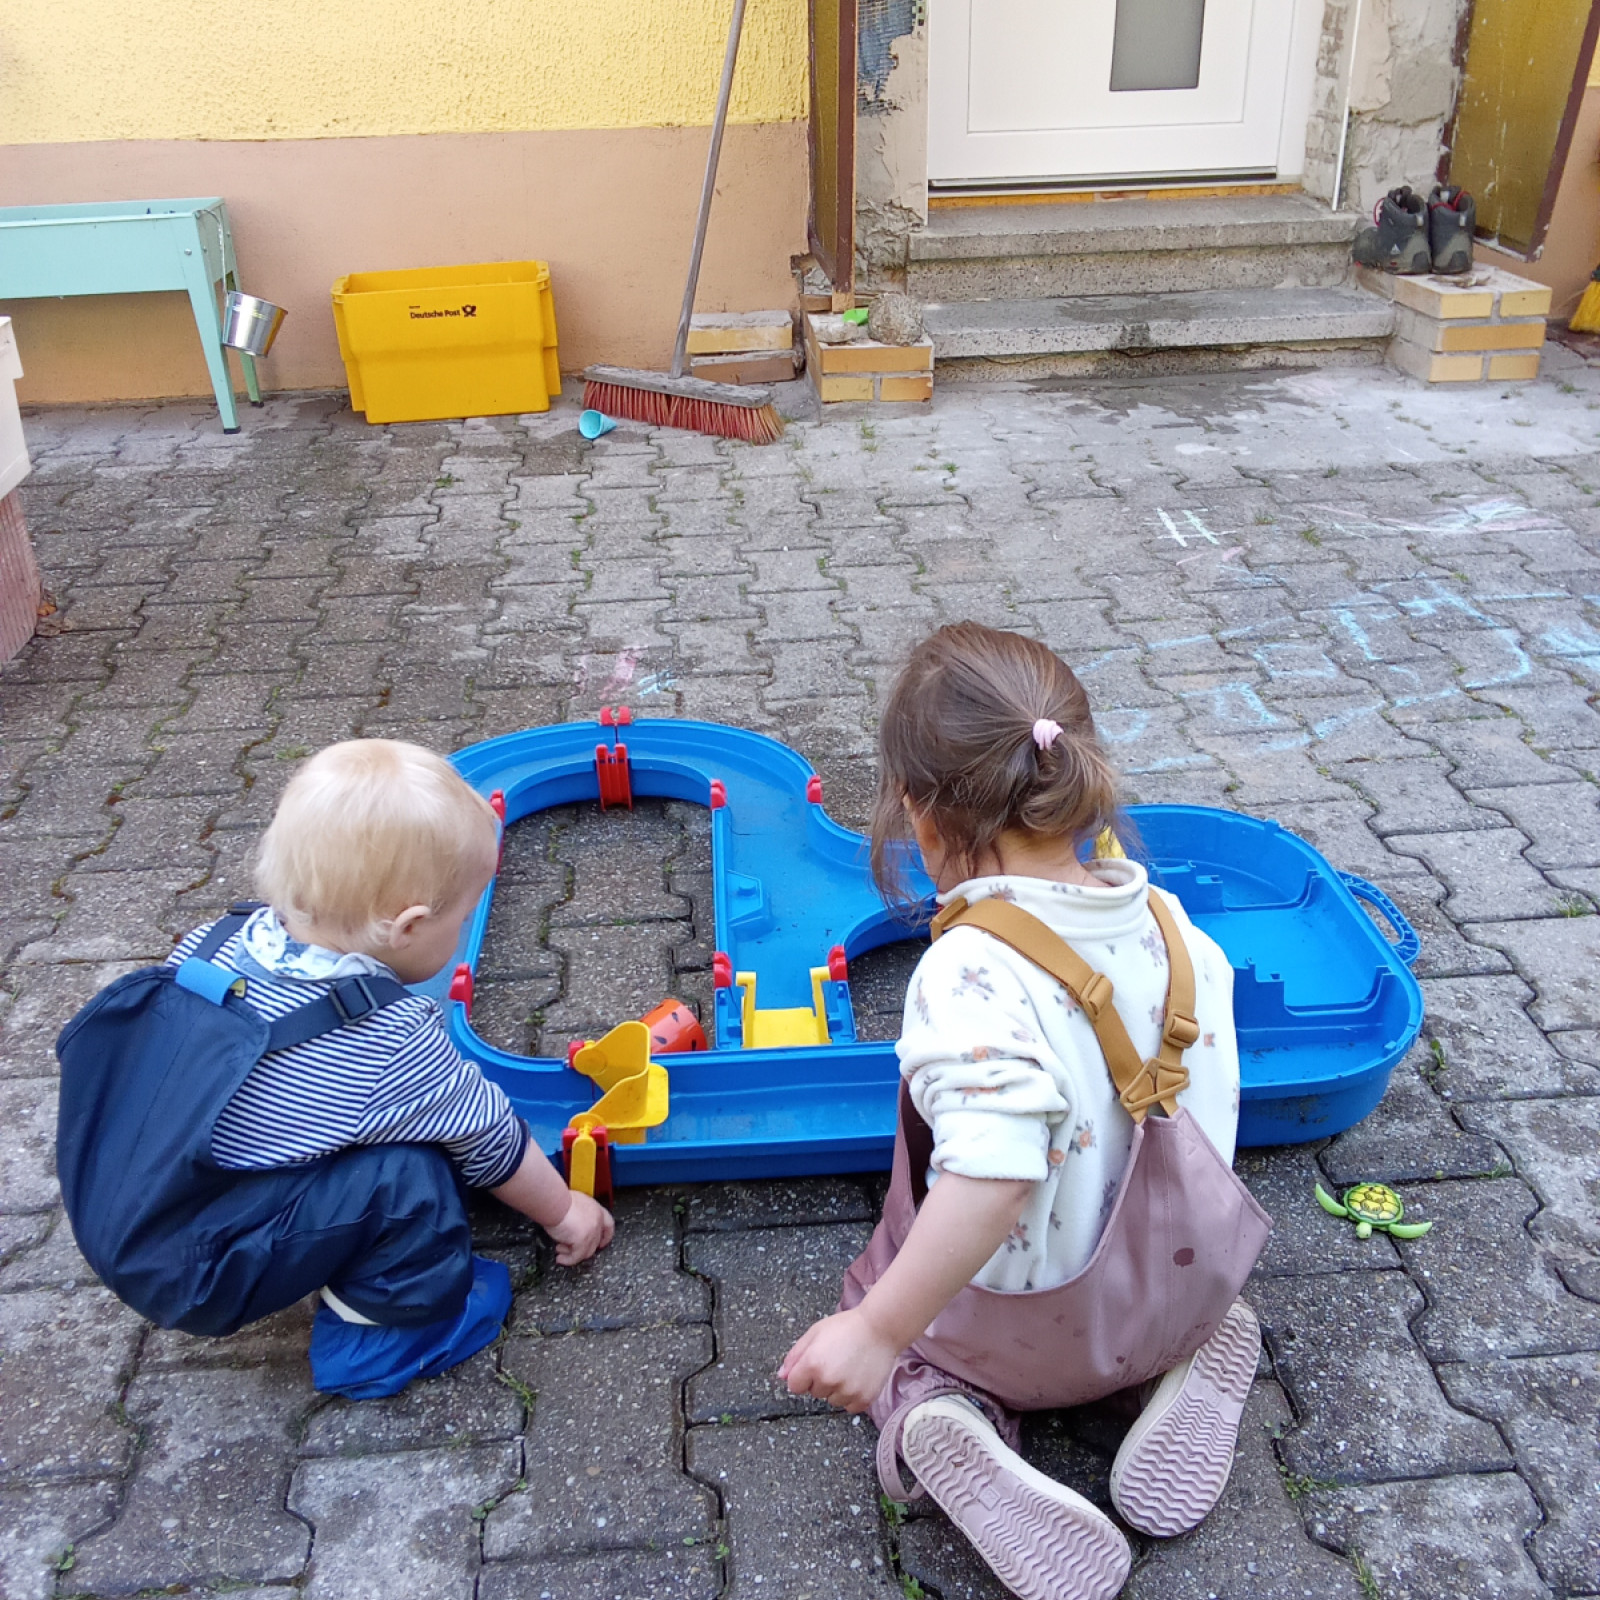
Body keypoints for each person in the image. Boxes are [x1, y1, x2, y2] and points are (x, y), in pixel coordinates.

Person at [780, 624, 1270, 1600]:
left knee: (885, 1315)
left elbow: (993, 1179)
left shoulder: (969, 972)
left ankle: (949, 1417)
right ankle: (1187, 1350)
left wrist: (877, 1330)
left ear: (922, 814)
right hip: (1176, 1279)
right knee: (1172, 1280)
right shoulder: (1175, 928)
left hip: (1020, 1337)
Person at [56, 739, 613, 1399]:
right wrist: (565, 1211)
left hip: (116, 1196)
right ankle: (382, 1341)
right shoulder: (388, 1038)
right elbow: (491, 1138)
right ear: (407, 927)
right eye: (463, 918)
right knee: (411, 1180)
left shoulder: (218, 942)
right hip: (196, 1270)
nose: (464, 929)